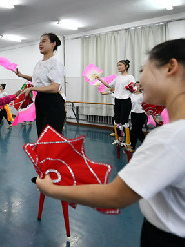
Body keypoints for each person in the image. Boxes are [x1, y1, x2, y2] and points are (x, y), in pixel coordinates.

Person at [36, 39, 185, 246]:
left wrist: (52, 189)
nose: (140, 80)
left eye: (145, 70)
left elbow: (116, 196)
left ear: (171, 67)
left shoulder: (171, 138)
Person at [16, 33, 66, 136]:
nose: (40, 44)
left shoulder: (55, 63)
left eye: (44, 41)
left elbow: (54, 88)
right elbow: (37, 80)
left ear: (53, 44)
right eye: (40, 42)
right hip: (40, 101)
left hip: (53, 102)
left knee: (50, 138)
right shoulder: (39, 63)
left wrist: (31, 89)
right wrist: (22, 75)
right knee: (41, 135)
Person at [96, 60, 135, 147]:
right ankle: (119, 139)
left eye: (120, 65)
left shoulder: (130, 77)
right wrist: (100, 80)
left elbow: (134, 88)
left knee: (124, 121)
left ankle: (127, 141)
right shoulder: (117, 77)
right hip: (117, 101)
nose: (119, 67)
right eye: (118, 65)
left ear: (126, 66)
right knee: (117, 121)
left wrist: (131, 88)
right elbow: (109, 86)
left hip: (126, 101)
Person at [129, 81, 147, 152]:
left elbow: (147, 105)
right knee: (138, 131)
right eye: (135, 85)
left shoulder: (143, 95)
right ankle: (145, 143)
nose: (136, 86)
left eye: (138, 85)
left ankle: (133, 146)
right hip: (133, 114)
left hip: (141, 114)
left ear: (140, 87)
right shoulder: (131, 95)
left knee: (134, 130)